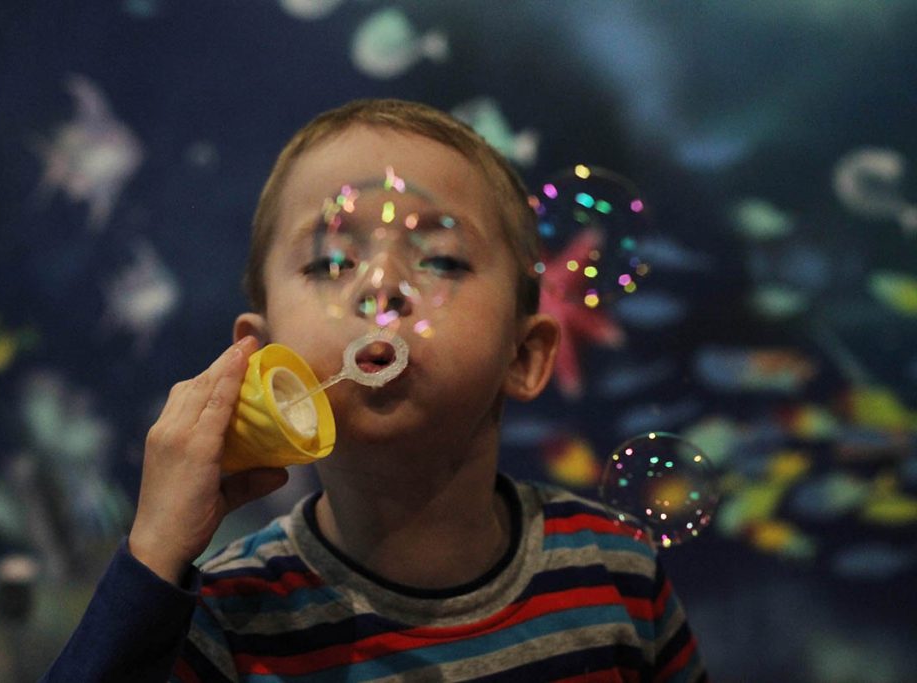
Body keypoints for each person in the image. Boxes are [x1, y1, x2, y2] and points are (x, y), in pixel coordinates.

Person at [41, 98, 708, 682]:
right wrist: (153, 554)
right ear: (258, 355)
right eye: (332, 262)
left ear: (525, 356)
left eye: (440, 259)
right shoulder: (228, 617)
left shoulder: (619, 572)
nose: (381, 286)